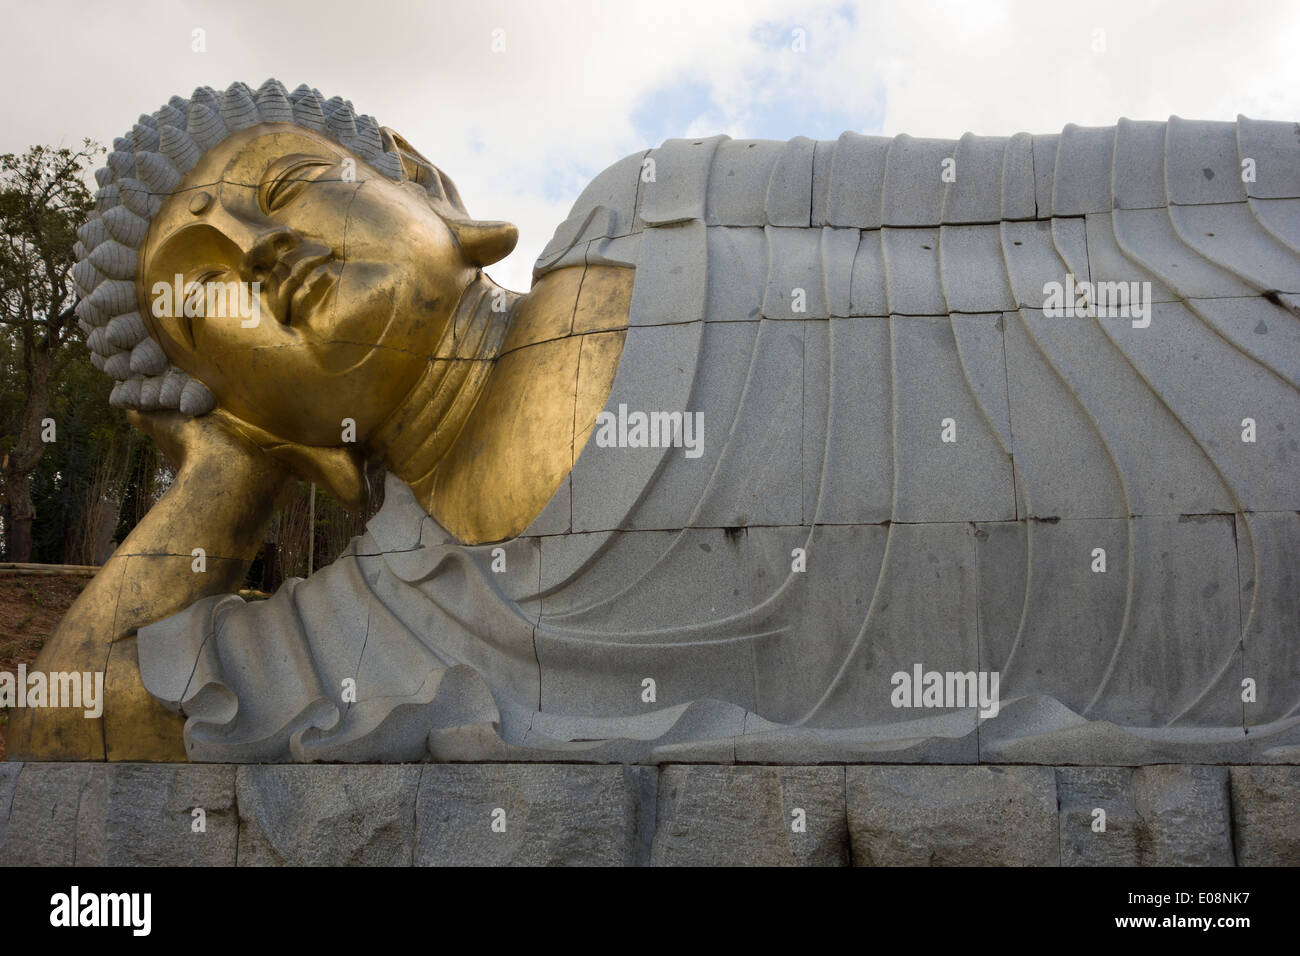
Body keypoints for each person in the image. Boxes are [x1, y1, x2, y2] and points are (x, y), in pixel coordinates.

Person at [11, 80, 1299, 764]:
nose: (259, 247)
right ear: (243, 418)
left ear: (423, 186)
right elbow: (64, 719)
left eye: (286, 188)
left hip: (1190, 330)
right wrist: (227, 476)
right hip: (1181, 655)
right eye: (209, 291)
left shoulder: (661, 203)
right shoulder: (396, 638)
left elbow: (1029, 186)